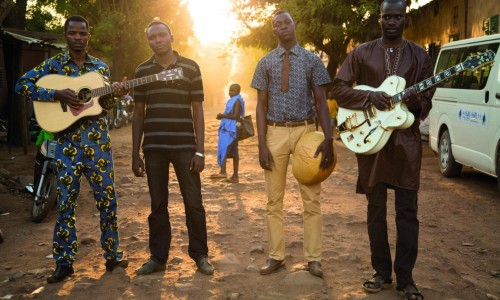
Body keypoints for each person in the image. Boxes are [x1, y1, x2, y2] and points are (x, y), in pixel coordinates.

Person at [331, 1, 434, 299]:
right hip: (371, 142)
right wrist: (369, 98)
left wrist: (415, 101)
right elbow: (338, 88)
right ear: (379, 19)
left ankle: (406, 278)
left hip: (406, 144)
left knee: (407, 212)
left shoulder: (419, 55)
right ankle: (380, 272)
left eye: (397, 16)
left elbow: (426, 98)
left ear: (406, 18)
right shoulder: (362, 52)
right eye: (386, 16)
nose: (391, 21)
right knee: (375, 210)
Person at [15, 15, 129, 283]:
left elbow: (104, 106)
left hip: (98, 145)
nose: (78, 37)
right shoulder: (53, 65)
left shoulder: (100, 68)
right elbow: (22, 85)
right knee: (66, 205)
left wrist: (116, 93)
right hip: (66, 146)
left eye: (82, 33)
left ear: (89, 35)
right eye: (73, 33)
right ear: (65, 35)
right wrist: (55, 94)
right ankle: (64, 263)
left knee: (107, 201)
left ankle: (112, 256)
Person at [251, 11, 334, 278]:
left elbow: (321, 102)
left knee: (311, 199)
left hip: (306, 134)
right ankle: (276, 256)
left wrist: (329, 139)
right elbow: (260, 106)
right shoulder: (264, 62)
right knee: (273, 200)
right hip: (274, 133)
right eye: (277, 24)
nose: (283, 26)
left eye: (287, 22)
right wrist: (262, 145)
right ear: (273, 30)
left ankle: (314, 258)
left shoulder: (312, 60)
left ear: (294, 25)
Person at [131, 19, 214, 276]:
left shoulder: (191, 67)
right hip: (154, 147)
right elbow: (138, 113)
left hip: (185, 147)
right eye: (152, 37)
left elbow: (197, 110)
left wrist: (200, 150)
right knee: (158, 205)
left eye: (161, 35)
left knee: (194, 202)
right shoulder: (142, 71)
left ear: (171, 37)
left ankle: (200, 255)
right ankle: (158, 257)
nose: (157, 41)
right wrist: (135, 153)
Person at [210, 83, 244, 183]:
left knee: (226, 148)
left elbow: (235, 116)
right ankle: (234, 176)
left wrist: (222, 116)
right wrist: (222, 116)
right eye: (230, 90)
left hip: (233, 129)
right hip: (231, 128)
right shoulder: (232, 100)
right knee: (232, 150)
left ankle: (224, 172)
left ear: (238, 91)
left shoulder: (237, 101)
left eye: (233, 90)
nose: (230, 92)